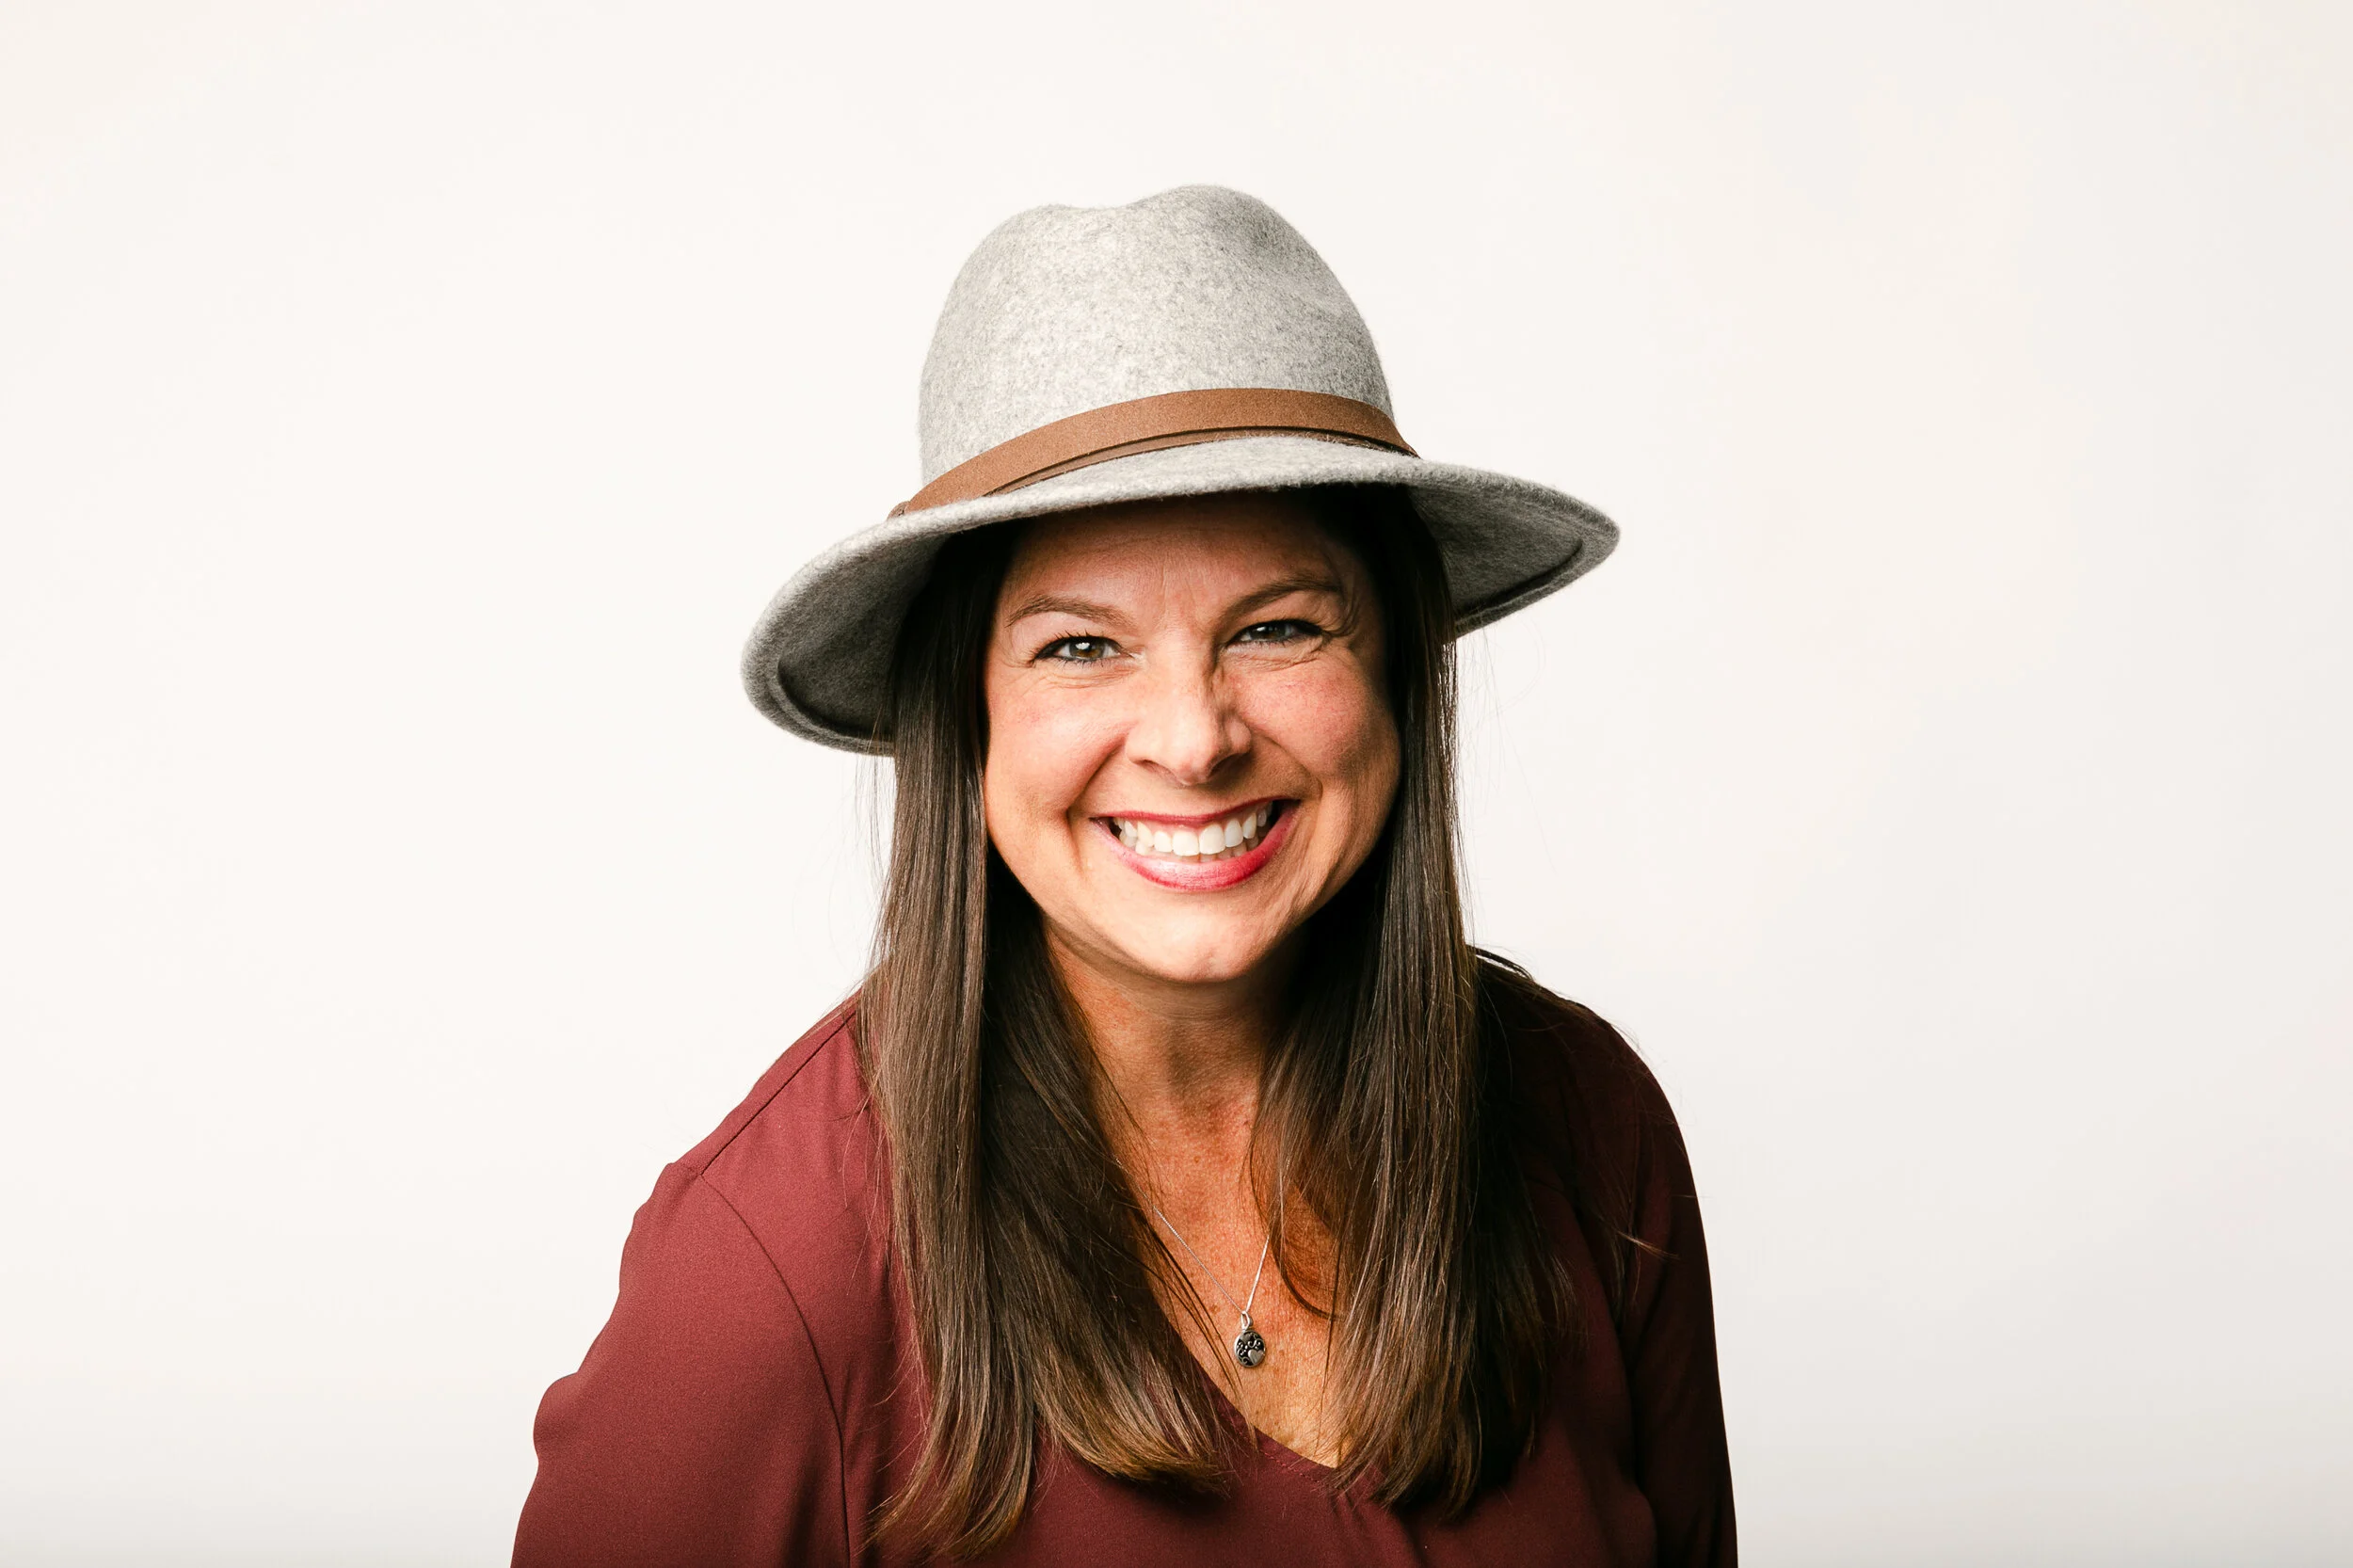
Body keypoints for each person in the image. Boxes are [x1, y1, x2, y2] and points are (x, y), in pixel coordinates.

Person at [513, 185, 1734, 1566]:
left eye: (1276, 626)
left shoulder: (1589, 1129)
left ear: (1398, 667)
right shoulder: (766, 1271)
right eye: (1081, 647)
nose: (1194, 738)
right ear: (965, 714)